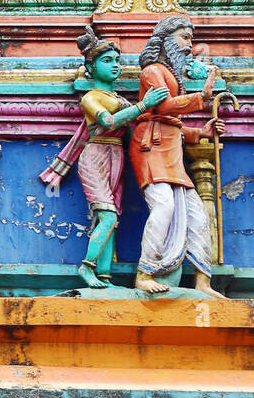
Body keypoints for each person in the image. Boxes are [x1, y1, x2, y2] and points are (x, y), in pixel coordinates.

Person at [40, 27, 167, 288]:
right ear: (90, 68)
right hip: (96, 154)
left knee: (111, 219)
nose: (115, 66)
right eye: (107, 61)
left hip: (116, 155)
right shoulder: (91, 97)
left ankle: (105, 275)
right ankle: (87, 268)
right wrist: (142, 106)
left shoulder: (119, 98)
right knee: (107, 216)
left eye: (117, 61)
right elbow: (107, 121)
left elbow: (132, 133)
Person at [129, 15, 225, 297]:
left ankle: (203, 281)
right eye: (185, 38)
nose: (189, 46)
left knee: (198, 215)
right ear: (166, 40)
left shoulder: (172, 75)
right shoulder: (152, 71)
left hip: (171, 146)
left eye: (191, 39)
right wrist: (201, 98)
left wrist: (201, 132)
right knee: (164, 207)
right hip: (151, 146)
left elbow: (175, 124)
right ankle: (144, 273)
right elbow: (163, 108)